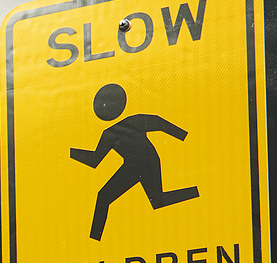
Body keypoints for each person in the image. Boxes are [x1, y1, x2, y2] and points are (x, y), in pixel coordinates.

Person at [69, 83, 194, 241]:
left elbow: (158, 122)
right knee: (151, 200)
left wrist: (184, 136)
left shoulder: (131, 122)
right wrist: (70, 152)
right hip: (134, 165)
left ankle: (93, 240)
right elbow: (95, 160)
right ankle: (93, 240)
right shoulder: (109, 133)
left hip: (148, 162)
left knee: (152, 200)